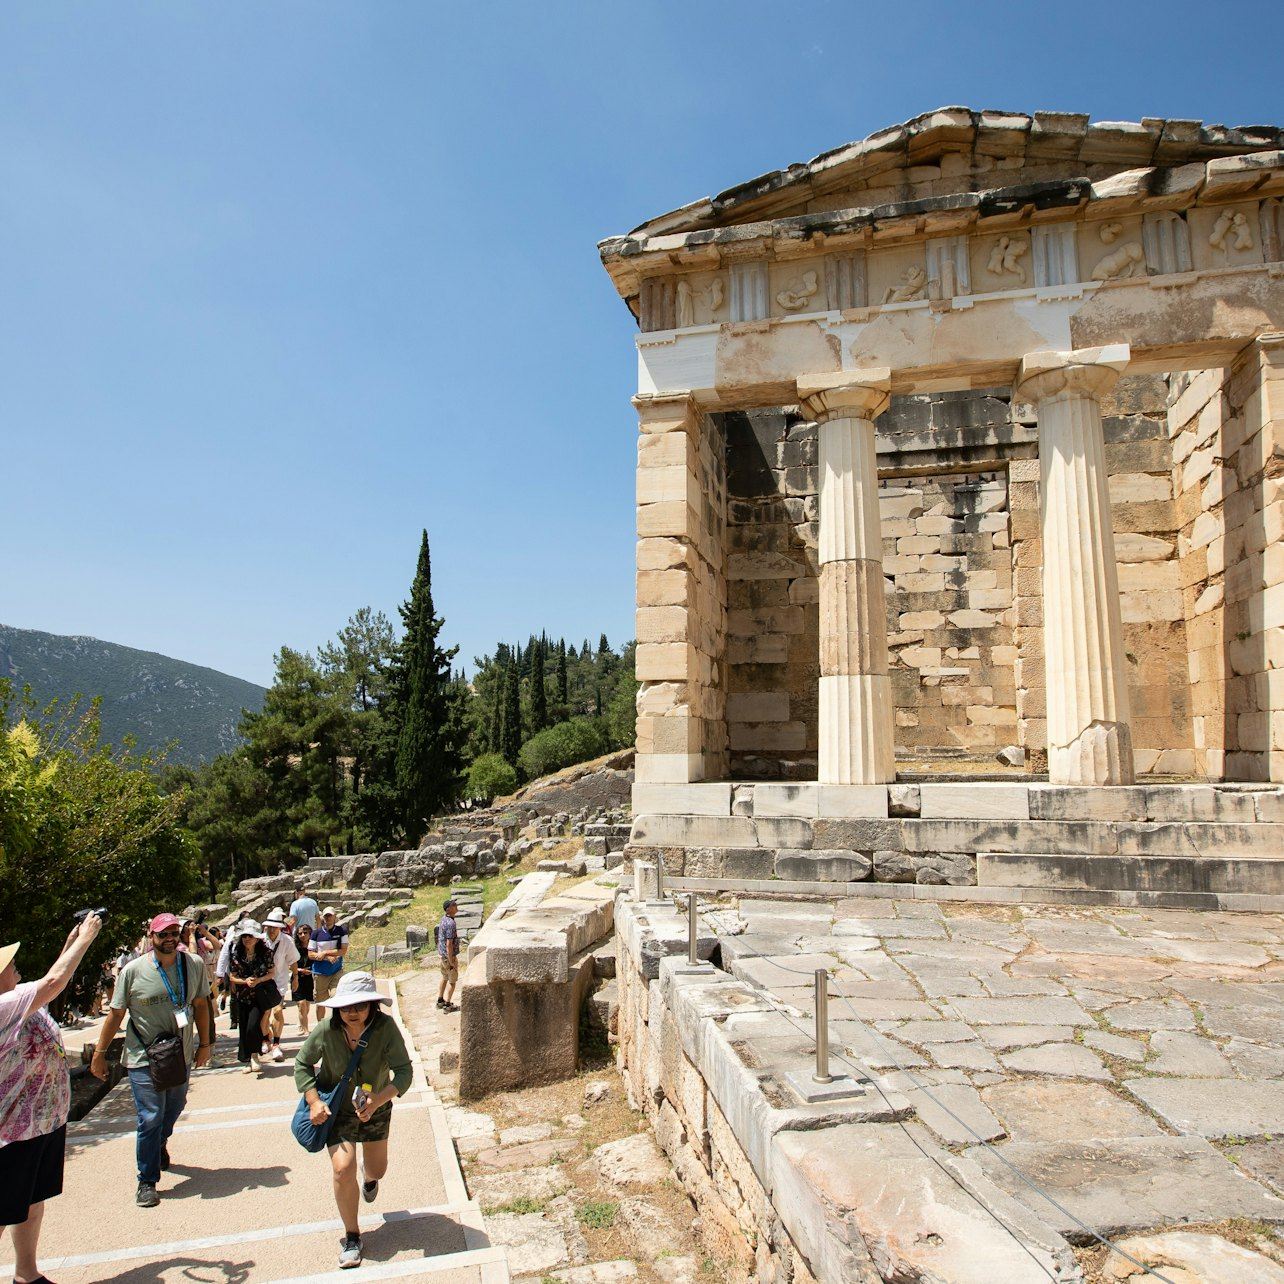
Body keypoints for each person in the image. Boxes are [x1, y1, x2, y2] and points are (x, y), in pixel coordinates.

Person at [1, 915, 103, 1284]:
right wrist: (88, 938)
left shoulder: (17, 999)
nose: (15, 966)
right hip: (11, 1130)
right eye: (9, 965)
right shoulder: (2, 1007)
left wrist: (70, 942)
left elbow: (52, 982)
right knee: (2, 1209)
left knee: (30, 1201)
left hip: (41, 1122)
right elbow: (53, 982)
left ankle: (26, 1274)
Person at [91, 913, 214, 1208]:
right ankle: (147, 1180)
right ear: (151, 936)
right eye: (163, 934)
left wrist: (206, 1043)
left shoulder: (193, 964)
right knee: (150, 1116)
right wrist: (99, 1054)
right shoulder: (133, 970)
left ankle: (158, 1142)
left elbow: (200, 1004)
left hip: (179, 1053)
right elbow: (116, 1013)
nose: (169, 939)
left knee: (175, 1107)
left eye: (174, 933)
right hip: (143, 1054)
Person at [294, 971, 412, 1271]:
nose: (353, 1012)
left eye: (360, 1005)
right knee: (341, 1169)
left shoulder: (385, 1028)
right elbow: (302, 1063)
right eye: (347, 1006)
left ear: (372, 1005)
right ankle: (351, 1236)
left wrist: (377, 1101)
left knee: (377, 1170)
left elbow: (404, 1073)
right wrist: (314, 1100)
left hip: (376, 1107)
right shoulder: (326, 1029)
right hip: (338, 1111)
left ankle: (369, 1177)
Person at [228, 922, 278, 1075]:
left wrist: (258, 980)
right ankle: (248, 1059)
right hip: (243, 996)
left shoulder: (266, 953)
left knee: (253, 1025)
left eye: (250, 936)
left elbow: (271, 973)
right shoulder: (236, 954)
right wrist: (245, 981)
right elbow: (232, 976)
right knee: (243, 1028)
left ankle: (255, 1055)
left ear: (257, 938)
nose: (247, 939)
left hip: (260, 995)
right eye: (244, 936)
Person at [262, 909, 299, 1061]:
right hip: (263, 981)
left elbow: (293, 961)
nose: (271, 930)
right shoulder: (259, 940)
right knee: (265, 1013)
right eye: (269, 927)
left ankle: (276, 1044)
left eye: (274, 927)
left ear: (279, 928)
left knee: (277, 1011)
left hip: (279, 982)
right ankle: (265, 1038)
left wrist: (295, 977)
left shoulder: (287, 941)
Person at [309, 908, 349, 1016]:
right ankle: (321, 1026)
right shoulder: (315, 933)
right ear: (323, 917)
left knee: (337, 998)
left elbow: (343, 951)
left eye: (330, 915)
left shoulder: (342, 931)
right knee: (320, 1003)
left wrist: (325, 952)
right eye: (326, 916)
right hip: (320, 972)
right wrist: (327, 957)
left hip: (336, 971)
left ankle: (337, 1023)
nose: (328, 918)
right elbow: (310, 954)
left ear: (335, 916)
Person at [436, 898, 459, 1013]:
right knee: (452, 981)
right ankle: (448, 1005)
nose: (456, 905)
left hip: (442, 955)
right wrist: (451, 962)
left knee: (444, 977)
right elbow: (449, 944)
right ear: (448, 909)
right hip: (449, 957)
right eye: (454, 905)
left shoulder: (444, 919)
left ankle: (440, 1000)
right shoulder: (451, 923)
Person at [292, 922, 315, 1034]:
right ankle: (305, 1030)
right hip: (297, 977)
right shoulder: (294, 948)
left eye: (305, 933)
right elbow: (289, 964)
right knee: (301, 1004)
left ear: (310, 933)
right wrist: (300, 970)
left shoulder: (314, 947)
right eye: (300, 933)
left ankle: (301, 1024)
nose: (302, 935)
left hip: (309, 978)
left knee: (306, 1005)